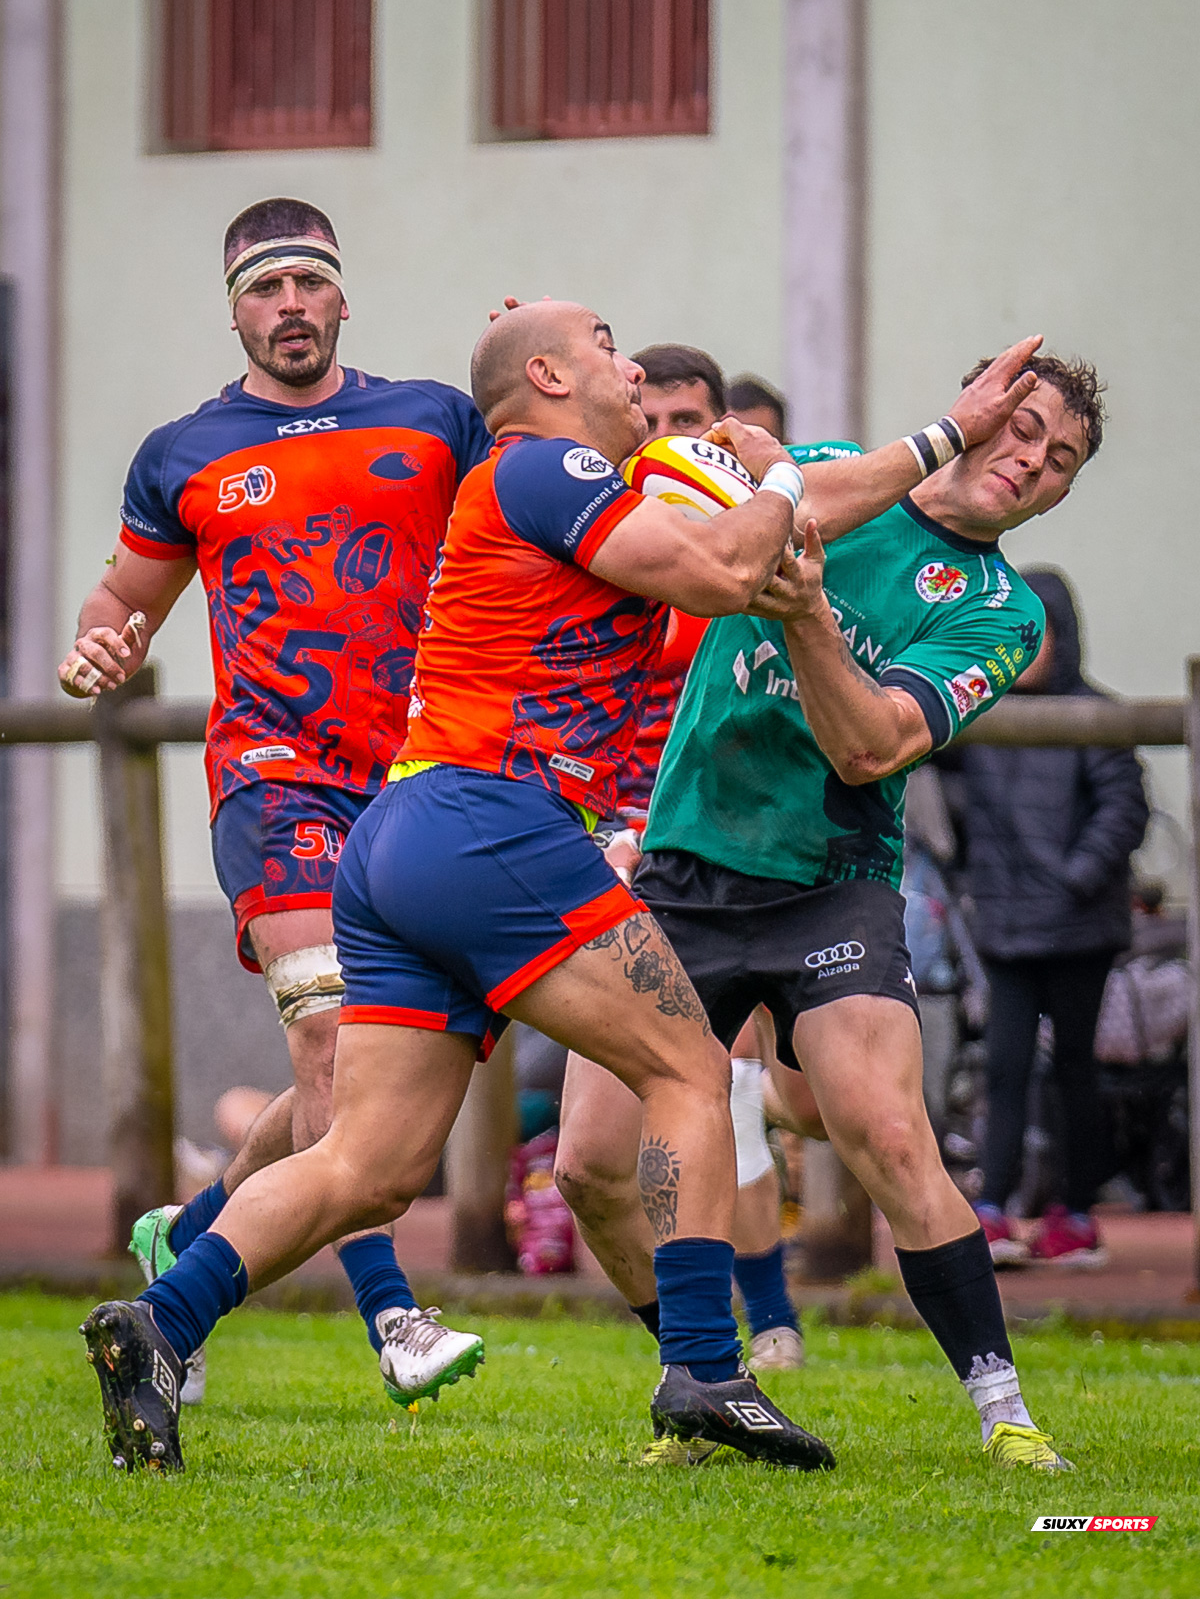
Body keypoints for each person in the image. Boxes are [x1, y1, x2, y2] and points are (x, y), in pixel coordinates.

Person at [80, 299, 842, 1476]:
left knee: (364, 1165)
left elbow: (713, 551)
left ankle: (161, 1322)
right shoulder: (552, 465)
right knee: (689, 1070)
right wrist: (782, 470)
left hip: (401, 831)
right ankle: (706, 1371)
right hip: (490, 818)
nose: (627, 361)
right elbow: (727, 566)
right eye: (602, 343)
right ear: (545, 374)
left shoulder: (551, 475)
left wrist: (940, 448)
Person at [556, 346, 1098, 1473]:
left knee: (888, 1132)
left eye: (1062, 462)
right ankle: (707, 1378)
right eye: (1025, 427)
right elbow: (702, 474)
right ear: (976, 411)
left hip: (829, 887)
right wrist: (554, 386)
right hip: (681, 874)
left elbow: (871, 746)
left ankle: (1007, 1416)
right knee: (588, 1170)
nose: (1034, 461)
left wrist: (804, 606)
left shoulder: (999, 612)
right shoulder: (832, 471)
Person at [61, 197, 492, 1407]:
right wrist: (97, 645)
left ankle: (183, 1250)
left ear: (343, 295)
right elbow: (121, 603)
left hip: (421, 786)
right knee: (330, 1052)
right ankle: (394, 1316)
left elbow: (531, 527)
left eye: (308, 283)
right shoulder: (183, 454)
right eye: (264, 288)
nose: (288, 307)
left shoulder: (434, 421)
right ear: (235, 307)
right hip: (275, 779)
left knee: (348, 1096)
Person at [599, 343, 809, 1378]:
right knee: (674, 1115)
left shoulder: (748, 551)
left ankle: (736, 1340)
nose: (673, 437)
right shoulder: (614, 530)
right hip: (625, 853)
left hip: (746, 853)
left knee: (788, 1104)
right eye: (656, 419)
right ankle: (744, 1338)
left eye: (694, 419)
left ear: (725, 428)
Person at [957, 565, 1148, 1267]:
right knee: (1003, 1069)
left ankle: (1075, 1214)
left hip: (1077, 929)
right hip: (1005, 928)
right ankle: (993, 1208)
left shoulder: (1097, 715)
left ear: (1060, 638)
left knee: (1075, 1070)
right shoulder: (980, 714)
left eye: (1031, 636)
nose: (1019, 649)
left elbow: (1124, 810)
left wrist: (1074, 879)